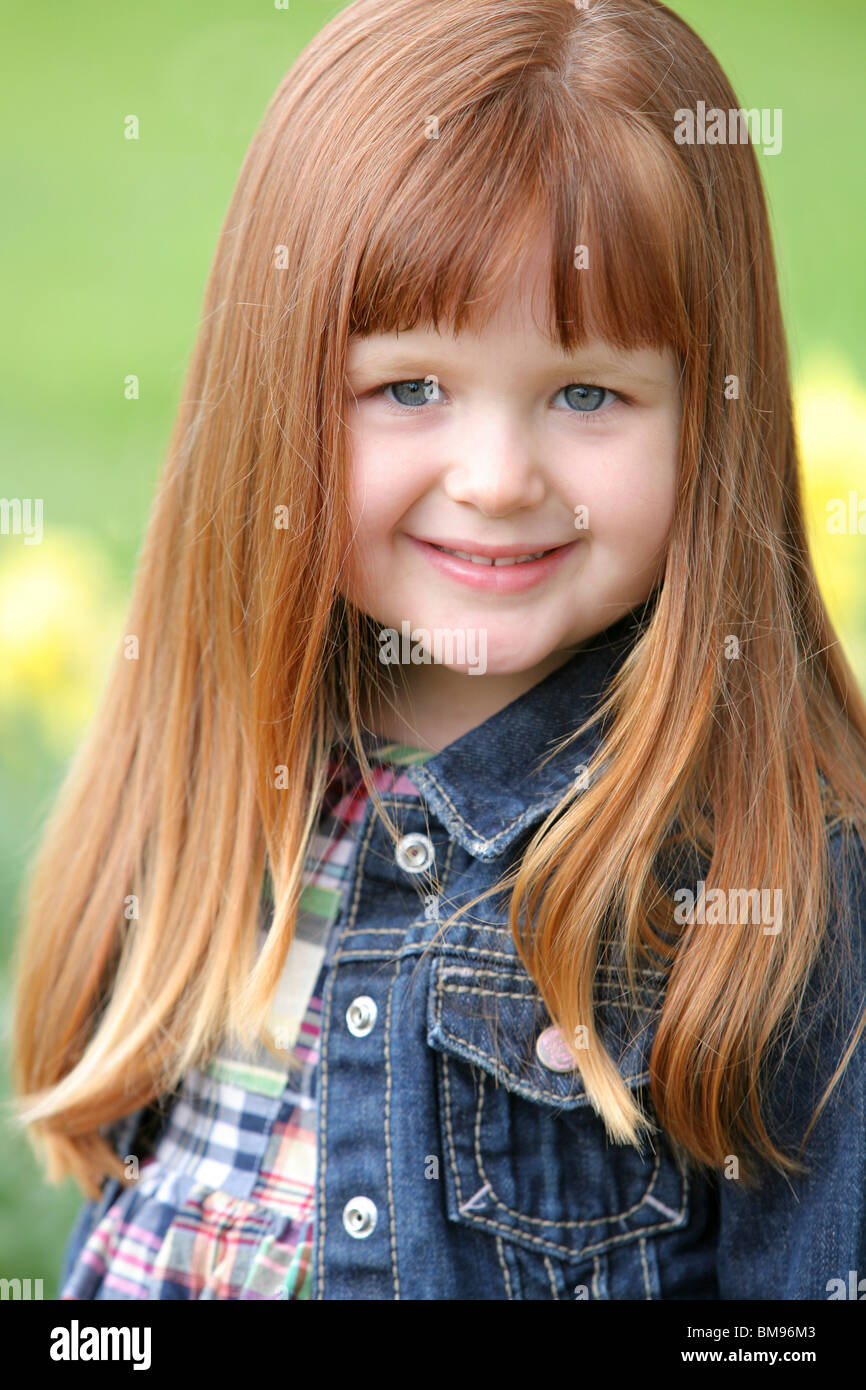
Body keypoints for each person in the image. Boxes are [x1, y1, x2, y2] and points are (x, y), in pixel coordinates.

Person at [11, 0, 866, 1300]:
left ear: (711, 415)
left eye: (587, 393)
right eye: (409, 386)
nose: (494, 477)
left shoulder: (769, 899)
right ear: (274, 394)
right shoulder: (215, 795)